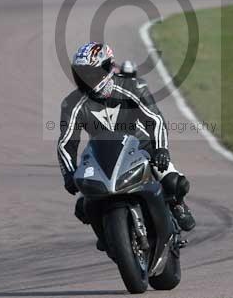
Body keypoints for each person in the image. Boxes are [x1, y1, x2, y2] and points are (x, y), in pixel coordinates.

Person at [56, 41, 195, 232]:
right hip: (101, 156)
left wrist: (161, 149)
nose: (86, 79)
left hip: (142, 148)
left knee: (174, 183)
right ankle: (107, 235)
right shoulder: (72, 104)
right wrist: (69, 174)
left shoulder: (133, 87)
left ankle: (178, 204)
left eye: (91, 73)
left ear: (108, 68)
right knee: (83, 208)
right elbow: (66, 142)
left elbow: (156, 119)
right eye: (81, 74)